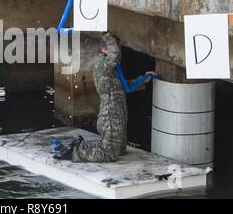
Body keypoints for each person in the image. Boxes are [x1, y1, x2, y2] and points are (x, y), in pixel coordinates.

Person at [54, 32, 157, 162]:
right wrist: (106, 33)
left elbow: (125, 87)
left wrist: (144, 78)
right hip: (110, 116)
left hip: (119, 114)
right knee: (108, 154)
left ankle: (81, 144)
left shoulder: (112, 69)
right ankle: (76, 152)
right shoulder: (101, 64)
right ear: (104, 48)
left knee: (120, 150)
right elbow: (114, 54)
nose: (118, 52)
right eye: (115, 47)